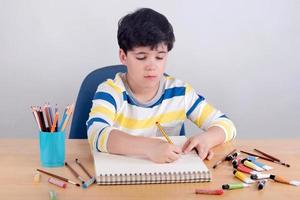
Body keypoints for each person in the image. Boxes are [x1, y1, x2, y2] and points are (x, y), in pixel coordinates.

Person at [87, 8, 236, 163]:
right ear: (123, 56)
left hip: (168, 177)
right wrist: (150, 147)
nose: (152, 66)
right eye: (141, 57)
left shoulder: (180, 93)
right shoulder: (111, 92)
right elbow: (96, 134)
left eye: (159, 57)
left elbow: (226, 125)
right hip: (122, 178)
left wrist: (206, 139)